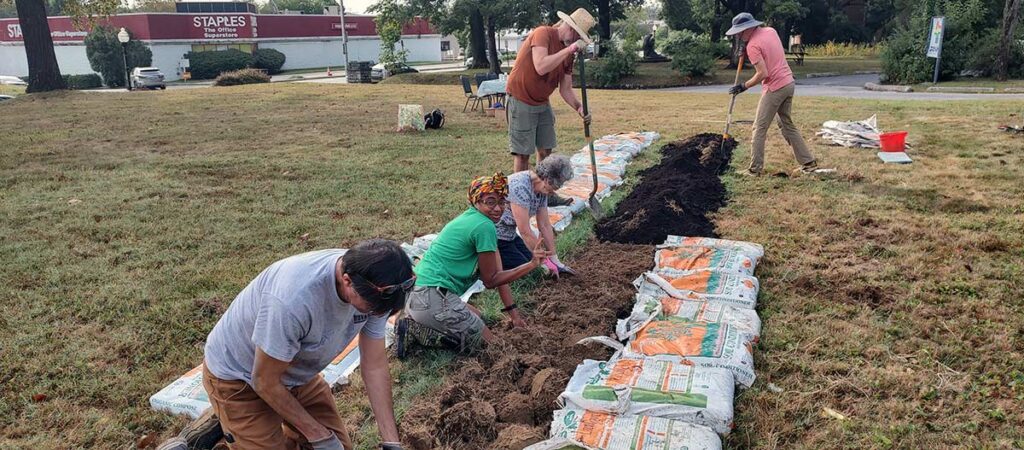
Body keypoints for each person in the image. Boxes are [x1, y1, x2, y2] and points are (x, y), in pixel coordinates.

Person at [158, 240, 413, 450]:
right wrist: (319, 435)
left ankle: (237, 429)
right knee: (317, 441)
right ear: (347, 281)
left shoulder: (377, 289)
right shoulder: (293, 300)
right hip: (241, 378)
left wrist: (391, 442)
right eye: (370, 309)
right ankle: (223, 429)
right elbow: (264, 382)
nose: (375, 315)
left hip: (296, 372)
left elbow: (375, 367)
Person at [400, 173, 550, 354]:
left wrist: (515, 317)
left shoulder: (477, 220)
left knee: (479, 317)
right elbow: (491, 280)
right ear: (476, 201)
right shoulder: (483, 227)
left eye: (502, 202)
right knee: (494, 347)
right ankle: (425, 335)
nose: (498, 209)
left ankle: (424, 325)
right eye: (490, 202)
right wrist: (531, 264)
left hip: (418, 296)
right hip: (431, 299)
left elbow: (499, 274)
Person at [506, 8, 596, 206]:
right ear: (569, 27)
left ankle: (544, 193)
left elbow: (565, 88)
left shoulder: (568, 52)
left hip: (541, 102)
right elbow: (541, 66)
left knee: (546, 151)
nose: (575, 40)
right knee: (523, 154)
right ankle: (520, 198)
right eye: (576, 35)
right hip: (521, 98)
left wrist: (579, 107)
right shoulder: (543, 34)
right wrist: (569, 50)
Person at [726, 12, 818, 176]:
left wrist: (743, 86)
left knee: (759, 127)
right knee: (786, 124)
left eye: (740, 32)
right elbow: (770, 53)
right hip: (789, 83)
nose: (739, 36)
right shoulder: (770, 31)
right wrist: (745, 49)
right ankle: (808, 162)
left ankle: (754, 169)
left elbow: (763, 73)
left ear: (748, 28)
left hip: (775, 88)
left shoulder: (752, 46)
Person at [496, 155, 577, 278]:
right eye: (556, 185)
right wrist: (545, 262)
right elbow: (524, 231)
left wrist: (555, 260)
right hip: (494, 237)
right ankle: (488, 263)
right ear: (546, 179)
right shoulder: (520, 187)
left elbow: (544, 224)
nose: (556, 189)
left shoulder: (542, 189)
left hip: (510, 235)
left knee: (532, 262)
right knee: (531, 271)